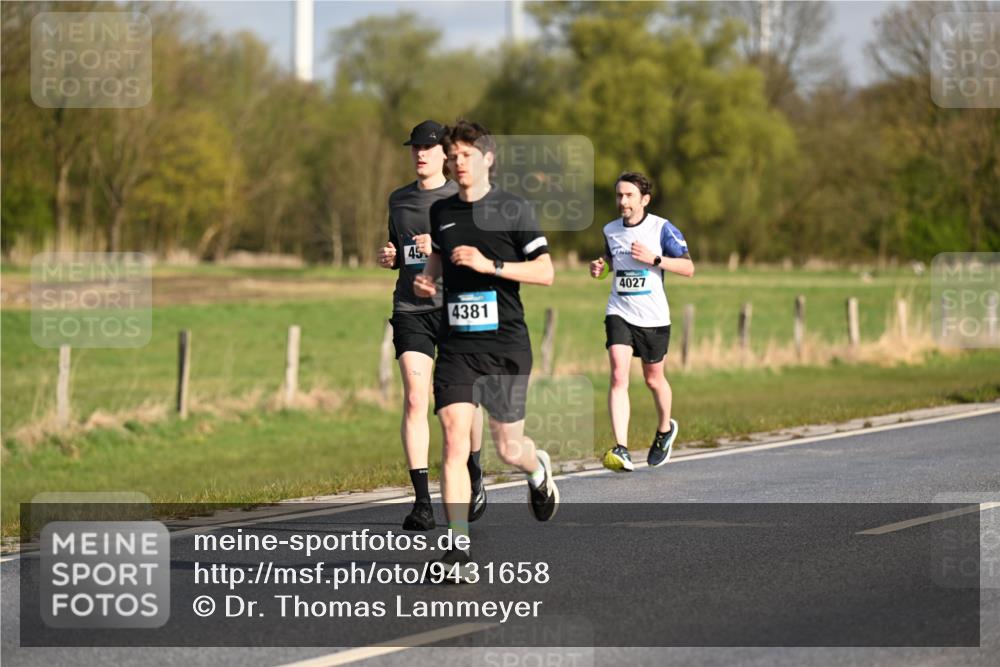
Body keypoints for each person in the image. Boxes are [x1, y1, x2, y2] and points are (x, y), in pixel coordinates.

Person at [413, 119, 559, 574]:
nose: (458, 164)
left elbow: (546, 272)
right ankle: (458, 548)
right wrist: (429, 278)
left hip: (505, 346)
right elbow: (439, 251)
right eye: (453, 157)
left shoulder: (513, 209)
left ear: (487, 159)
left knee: (508, 447)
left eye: (466, 156)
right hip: (458, 347)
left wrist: (490, 264)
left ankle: (537, 472)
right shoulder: (442, 212)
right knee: (455, 441)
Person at [377, 120, 486, 531]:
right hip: (411, 309)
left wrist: (440, 245)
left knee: (461, 404)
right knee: (414, 399)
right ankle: (422, 502)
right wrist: (393, 257)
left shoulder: (462, 197)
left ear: (444, 153)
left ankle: (474, 471)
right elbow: (401, 249)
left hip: (456, 308)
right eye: (414, 148)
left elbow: (478, 253)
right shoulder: (398, 199)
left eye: (427, 147)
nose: (420, 154)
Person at [589, 171, 695, 472]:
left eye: (629, 195)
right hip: (619, 310)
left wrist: (656, 259)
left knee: (653, 379)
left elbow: (688, 267)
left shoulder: (662, 228)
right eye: (619, 195)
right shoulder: (610, 229)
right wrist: (601, 267)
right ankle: (621, 448)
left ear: (644, 200)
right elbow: (612, 259)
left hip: (653, 316)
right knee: (618, 376)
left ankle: (664, 431)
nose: (622, 201)